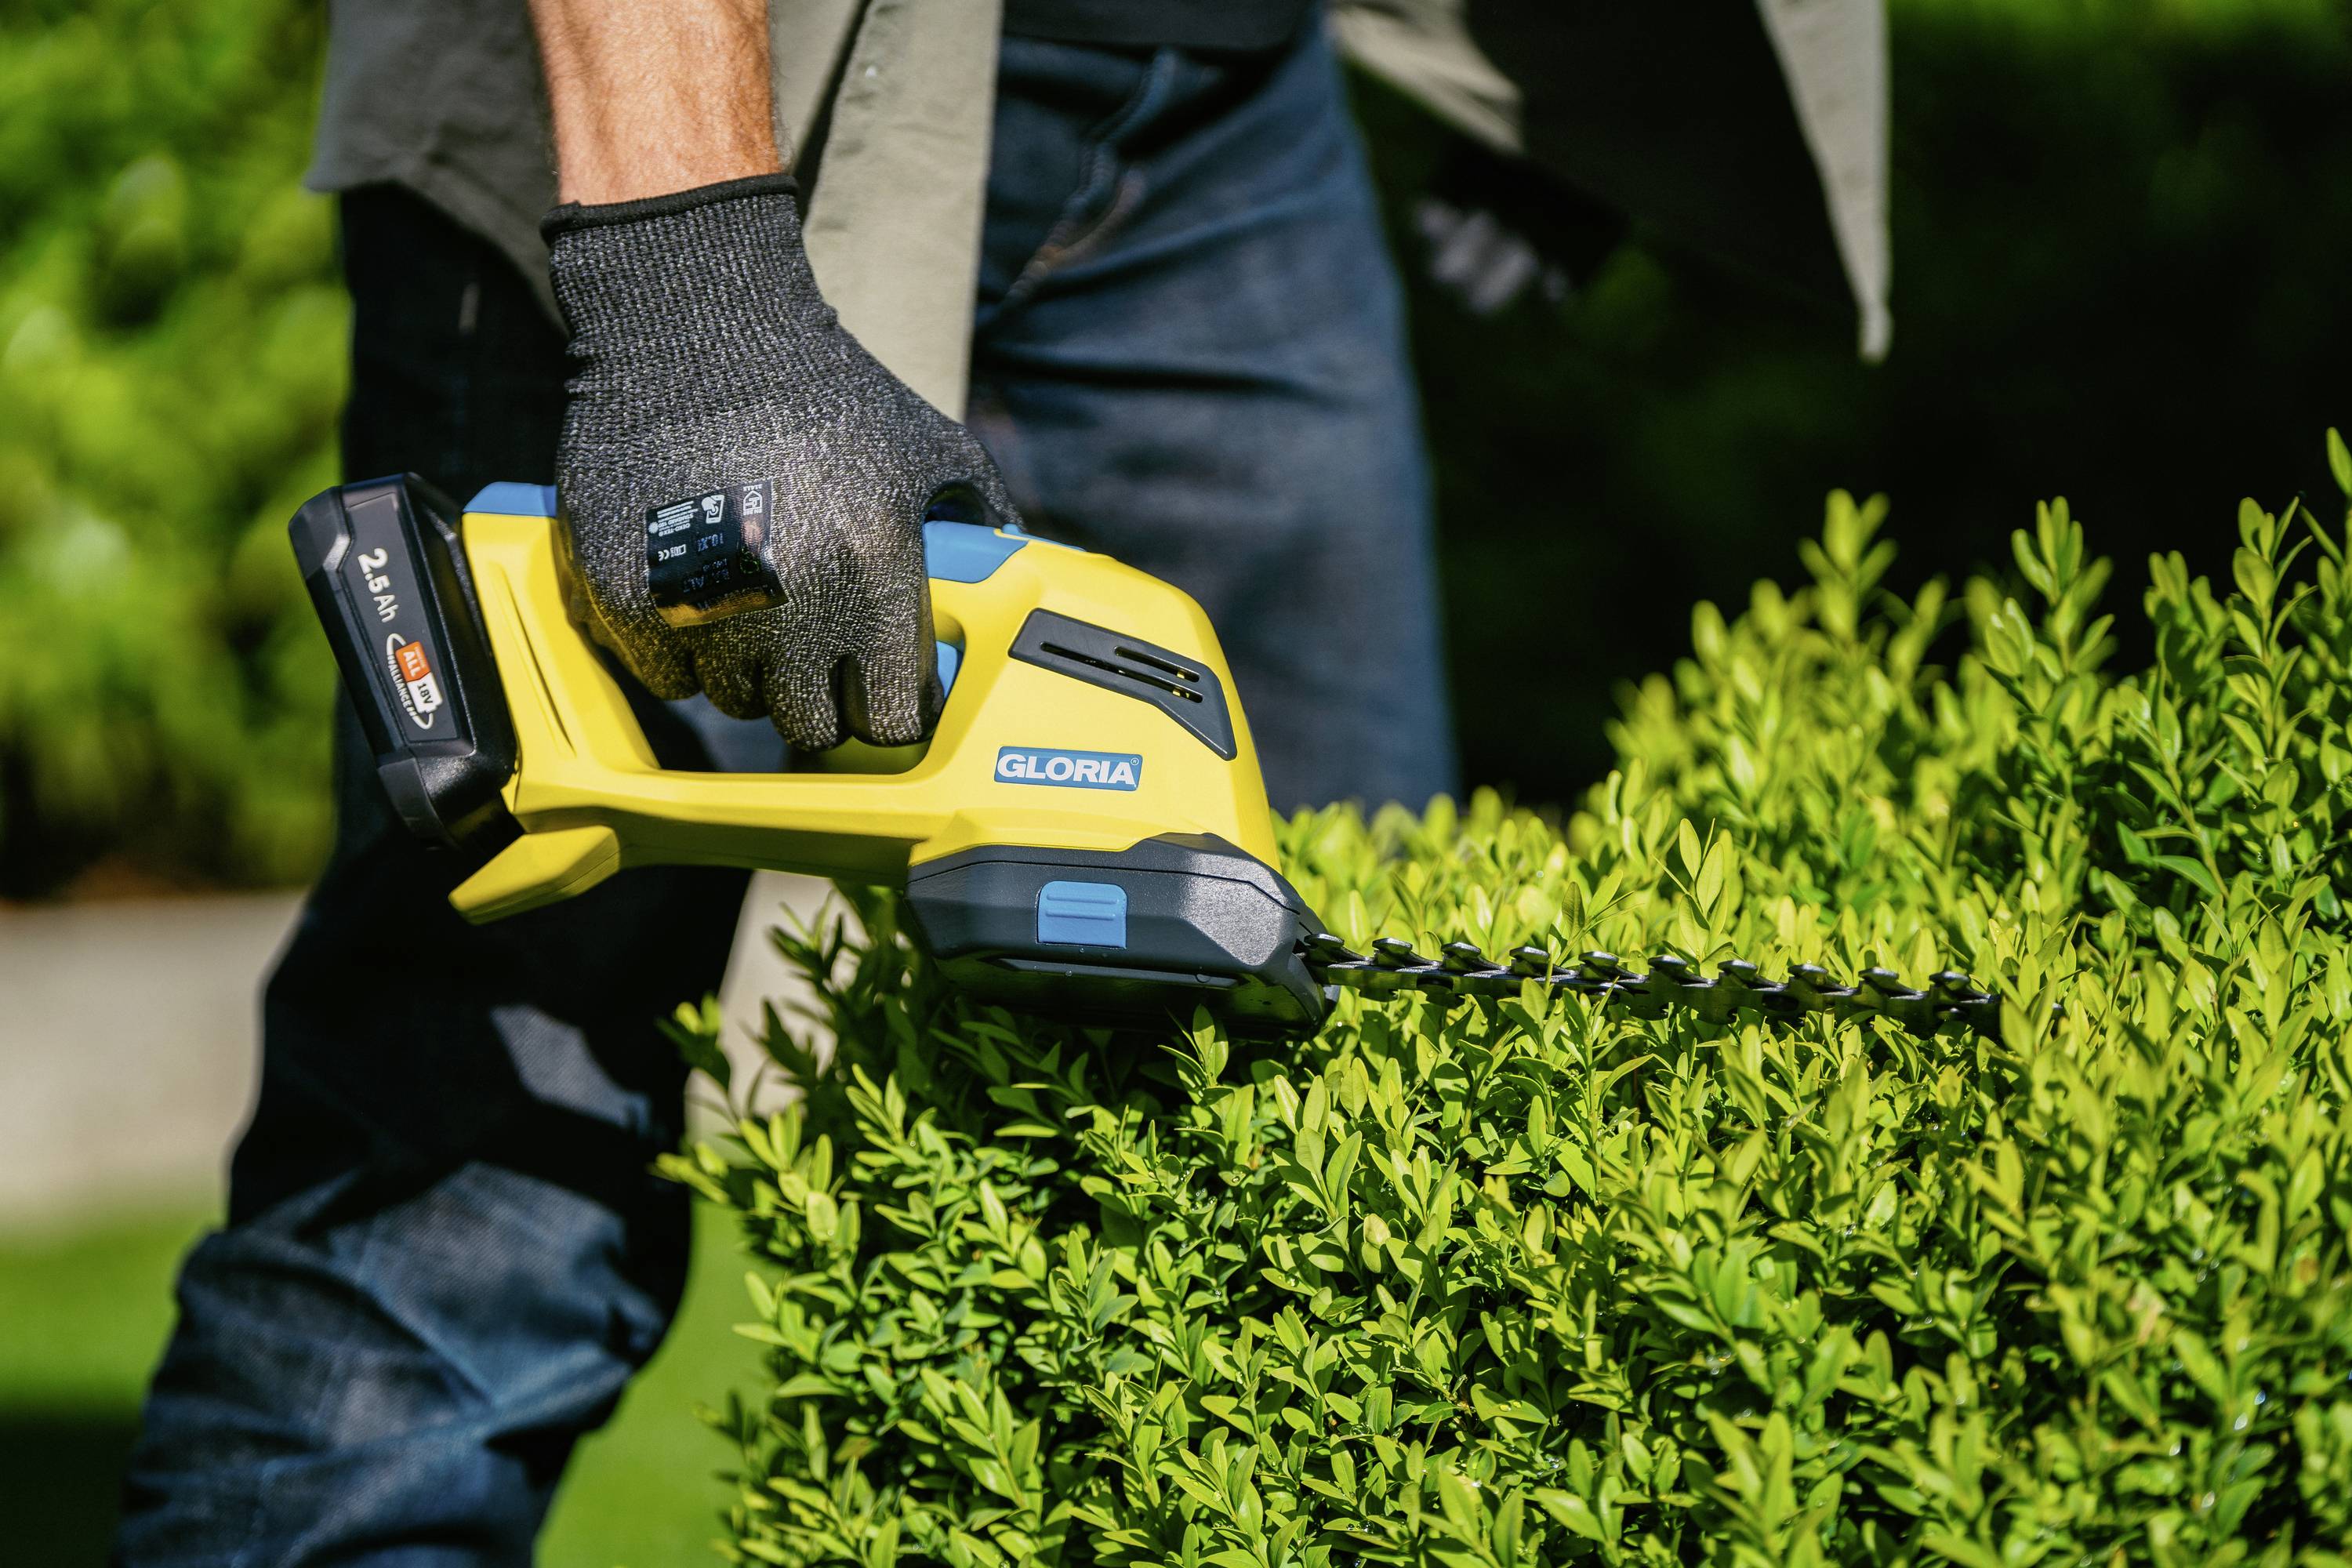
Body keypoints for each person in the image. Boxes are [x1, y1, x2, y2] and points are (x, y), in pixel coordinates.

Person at [115, 2, 1893, 1559]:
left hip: (1229, 109)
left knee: (1316, 1169)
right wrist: (686, 283)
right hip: (704, 120)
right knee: (466, 1209)